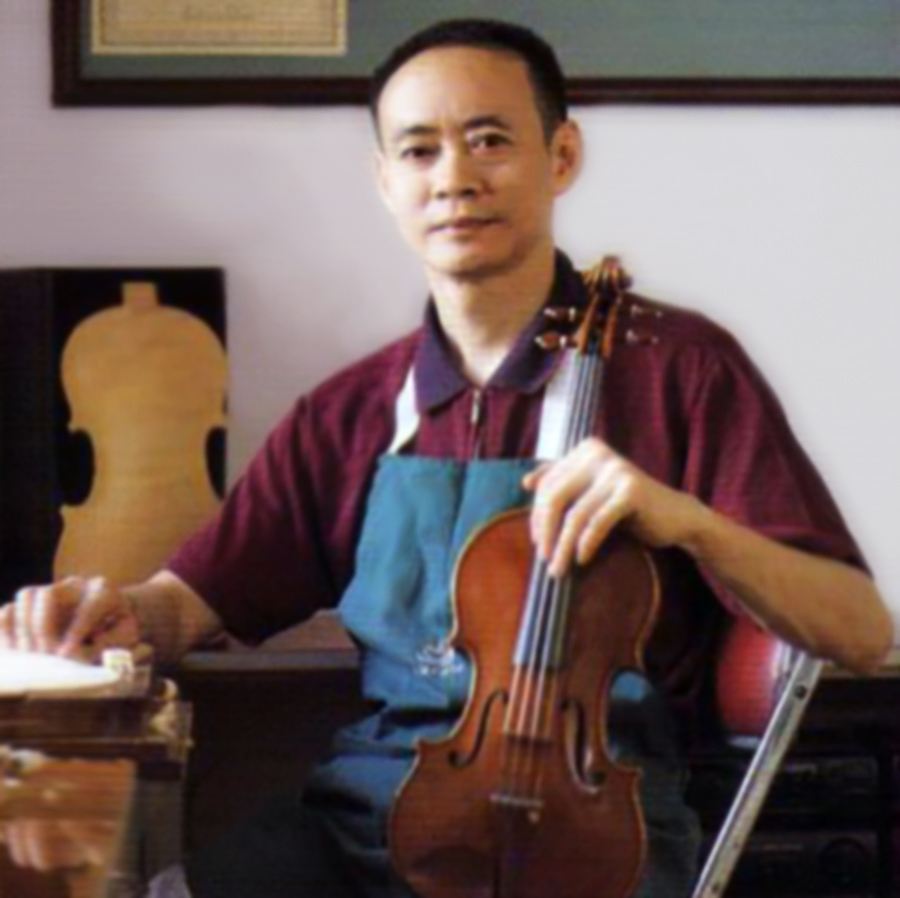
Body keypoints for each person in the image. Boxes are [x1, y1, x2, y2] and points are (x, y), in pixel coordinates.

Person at [0, 17, 892, 898]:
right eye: (419, 152)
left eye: (490, 140)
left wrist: (691, 522)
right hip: (370, 822)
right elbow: (193, 602)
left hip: (593, 835)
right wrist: (110, 615)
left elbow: (859, 627)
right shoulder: (352, 410)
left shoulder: (680, 370)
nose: (455, 179)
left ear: (563, 155)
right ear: (385, 181)